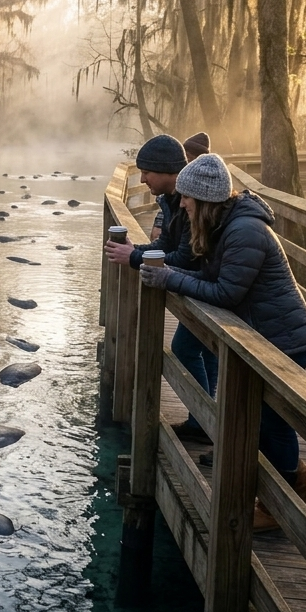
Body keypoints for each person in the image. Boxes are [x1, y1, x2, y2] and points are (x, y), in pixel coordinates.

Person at [138, 153, 306, 530]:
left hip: (284, 338)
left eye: (189, 198)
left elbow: (225, 292)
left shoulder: (245, 232)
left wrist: (168, 279)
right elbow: (206, 271)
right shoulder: (223, 225)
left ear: (205, 199)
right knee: (258, 418)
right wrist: (170, 269)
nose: (184, 203)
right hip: (264, 333)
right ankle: (302, 478)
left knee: (268, 422)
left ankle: (281, 501)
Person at [103, 135, 214, 442]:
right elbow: (166, 245)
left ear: (167, 171)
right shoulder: (171, 198)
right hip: (202, 287)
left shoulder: (190, 200)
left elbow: (184, 257)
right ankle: (204, 422)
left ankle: (208, 423)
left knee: (195, 350)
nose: (143, 179)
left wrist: (135, 258)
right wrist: (135, 248)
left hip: (213, 289)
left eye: (147, 172)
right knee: (197, 350)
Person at [150, 132, 210, 240]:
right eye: (184, 155)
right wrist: (159, 223)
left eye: (189, 157)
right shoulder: (179, 176)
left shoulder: (203, 187)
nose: (186, 161)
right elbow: (169, 203)